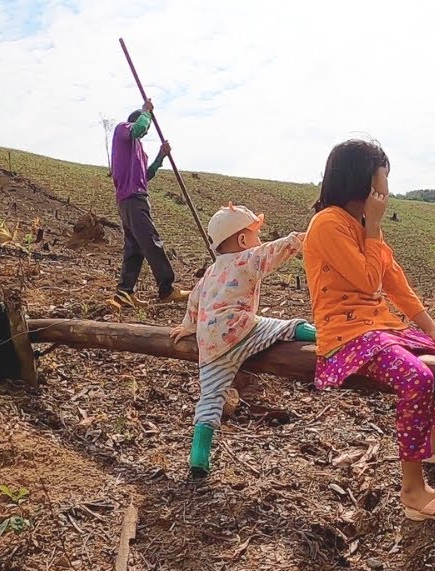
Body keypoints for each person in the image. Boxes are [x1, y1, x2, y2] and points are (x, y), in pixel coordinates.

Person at [303, 139, 435, 525]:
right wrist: (376, 227)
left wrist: (433, 330)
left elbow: (395, 283)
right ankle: (413, 491)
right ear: (363, 180)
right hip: (347, 336)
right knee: (417, 379)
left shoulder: (363, 227)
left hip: (381, 329)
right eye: (383, 175)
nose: (387, 186)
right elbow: (369, 282)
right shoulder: (328, 224)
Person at [170, 204, 316, 477]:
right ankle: (324, 336)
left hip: (211, 345)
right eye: (254, 235)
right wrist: (301, 238)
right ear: (242, 240)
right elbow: (274, 251)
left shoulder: (209, 273)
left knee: (210, 399)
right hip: (241, 330)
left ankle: (198, 459)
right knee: (286, 327)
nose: (258, 241)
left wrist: (187, 326)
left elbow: (194, 301)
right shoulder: (246, 259)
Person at [109, 98, 185, 309]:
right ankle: (166, 289)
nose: (145, 131)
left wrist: (161, 156)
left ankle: (124, 293)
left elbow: (146, 175)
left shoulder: (138, 151)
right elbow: (140, 128)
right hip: (132, 199)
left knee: (135, 248)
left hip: (133, 198)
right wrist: (146, 111)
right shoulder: (123, 130)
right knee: (151, 242)